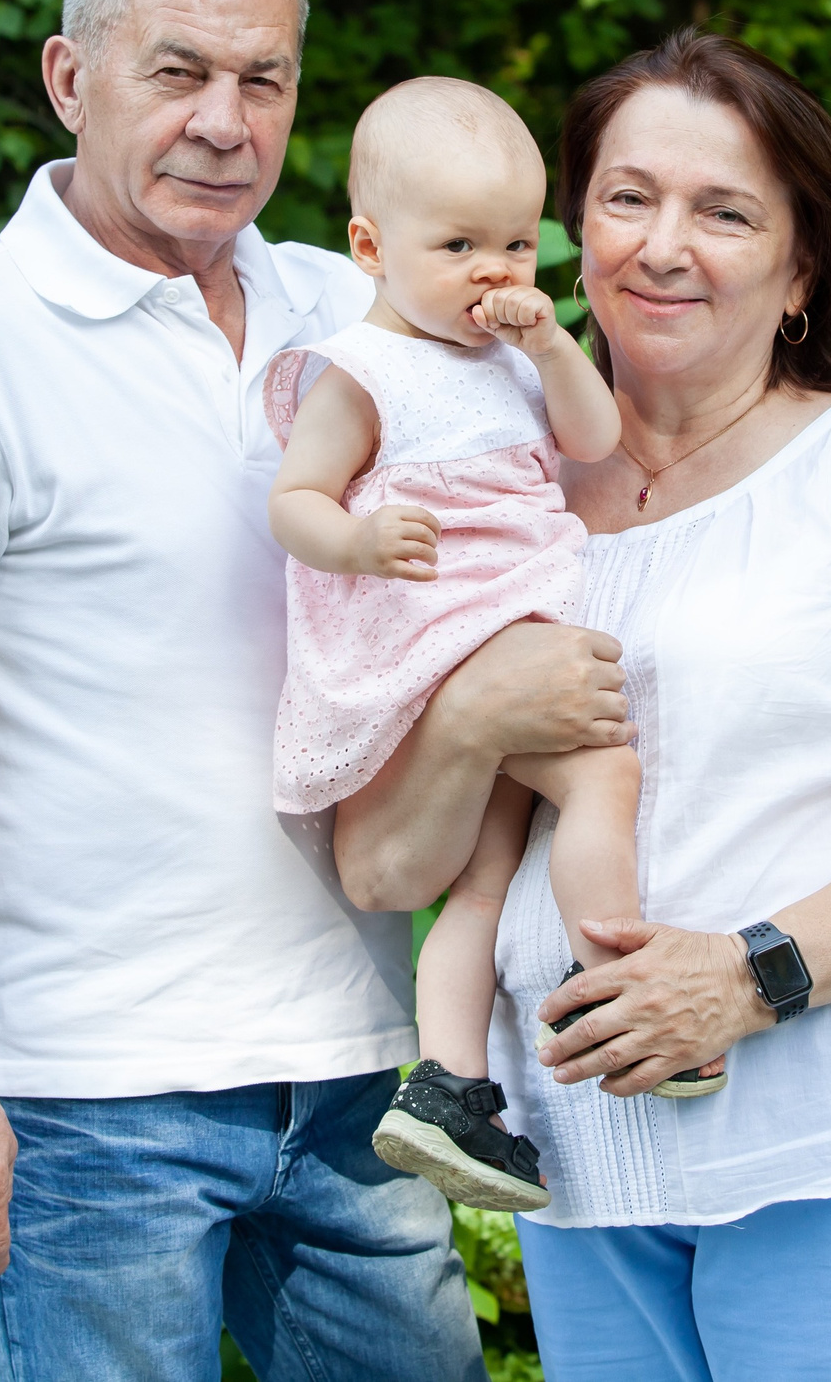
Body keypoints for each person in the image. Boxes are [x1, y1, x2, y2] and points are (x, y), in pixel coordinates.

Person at [0, 0, 831, 1381]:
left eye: (265, 78)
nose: (225, 120)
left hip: (362, 1072)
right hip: (108, 1096)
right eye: (178, 70)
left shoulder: (341, 310)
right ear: (69, 76)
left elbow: (645, 377)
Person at [332, 29, 831, 1381]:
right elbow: (387, 862)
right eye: (628, 197)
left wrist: (746, 975)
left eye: (725, 212)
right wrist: (471, 713)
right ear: (569, 228)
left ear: (802, 269)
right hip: (585, 1165)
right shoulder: (486, 491)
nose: (663, 245)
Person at [264, 79, 719, 1218]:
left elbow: (591, 436)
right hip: (450, 639)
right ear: (369, 246)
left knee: (481, 880)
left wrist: (554, 348)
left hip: (505, 627)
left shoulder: (508, 355)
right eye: (457, 243)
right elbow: (294, 502)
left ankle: (448, 1089)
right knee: (603, 772)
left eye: (515, 243)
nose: (493, 271)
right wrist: (360, 542)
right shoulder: (362, 369)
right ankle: (618, 983)